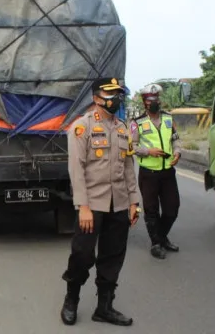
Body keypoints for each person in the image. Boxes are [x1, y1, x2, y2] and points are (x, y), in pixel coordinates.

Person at [60, 77, 140, 327]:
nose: (115, 98)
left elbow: (128, 167)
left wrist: (134, 201)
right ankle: (71, 299)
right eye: (110, 93)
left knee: (113, 256)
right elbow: (77, 169)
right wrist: (82, 206)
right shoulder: (81, 128)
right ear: (96, 98)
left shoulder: (121, 128)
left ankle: (104, 307)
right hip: (92, 204)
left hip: (119, 204)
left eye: (118, 93)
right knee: (82, 255)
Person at [131, 83, 182, 260]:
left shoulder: (168, 119)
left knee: (172, 209)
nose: (155, 102)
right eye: (151, 99)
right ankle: (156, 244)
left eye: (157, 99)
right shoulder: (137, 123)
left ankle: (161, 237)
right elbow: (132, 147)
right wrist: (148, 151)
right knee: (151, 210)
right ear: (144, 102)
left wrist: (177, 152)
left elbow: (176, 140)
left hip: (168, 172)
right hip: (149, 173)